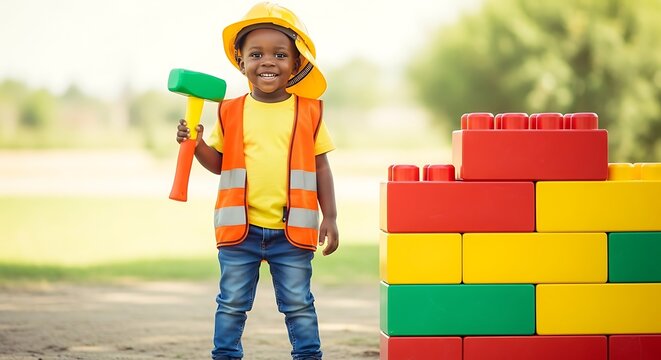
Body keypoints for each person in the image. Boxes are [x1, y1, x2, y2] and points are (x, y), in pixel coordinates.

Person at [175, 2, 339, 359]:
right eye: (256, 54)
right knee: (232, 303)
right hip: (240, 230)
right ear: (241, 61)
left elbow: (321, 168)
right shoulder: (230, 111)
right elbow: (219, 165)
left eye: (280, 54)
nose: (267, 62)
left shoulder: (309, 111)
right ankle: (226, 355)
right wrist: (197, 144)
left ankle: (309, 355)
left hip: (292, 231)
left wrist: (331, 217)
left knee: (298, 304)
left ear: (296, 64)